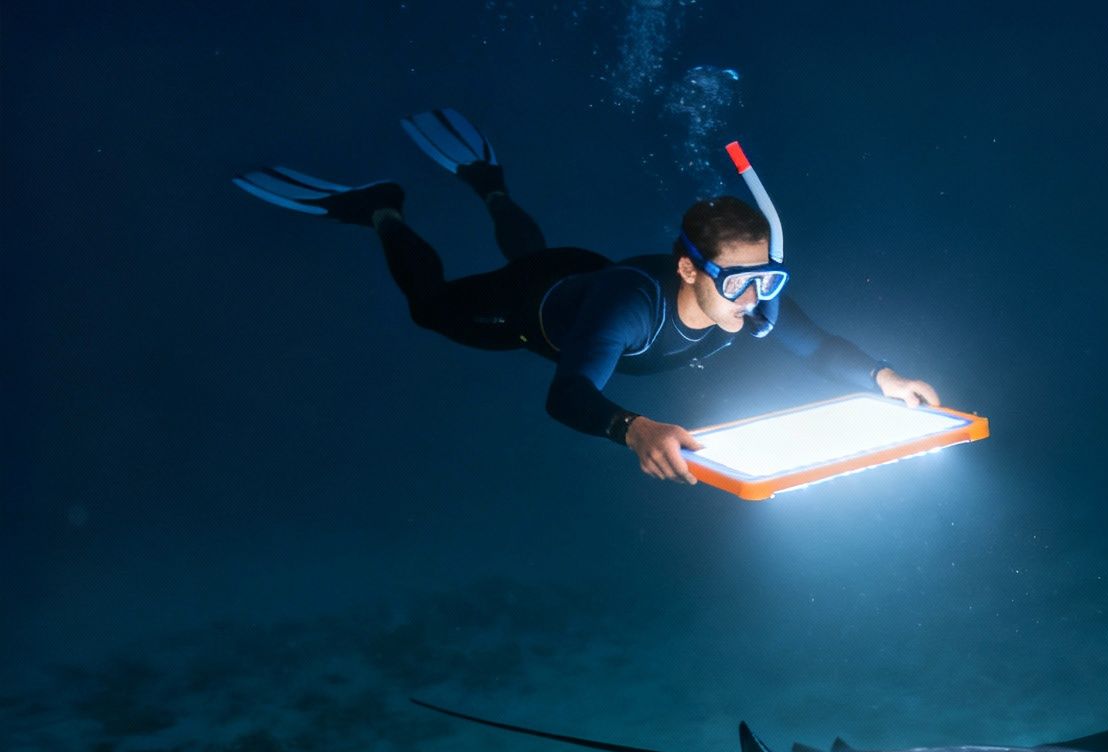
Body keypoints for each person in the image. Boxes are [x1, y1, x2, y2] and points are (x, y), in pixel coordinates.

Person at [234, 109, 940, 485]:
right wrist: (632, 428)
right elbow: (566, 392)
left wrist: (887, 377)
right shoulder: (631, 311)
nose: (757, 300)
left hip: (580, 271)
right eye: (742, 281)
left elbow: (815, 345)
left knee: (538, 251)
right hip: (533, 308)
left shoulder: (749, 299)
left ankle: (491, 184)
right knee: (432, 308)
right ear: (691, 270)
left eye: (770, 279)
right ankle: (380, 209)